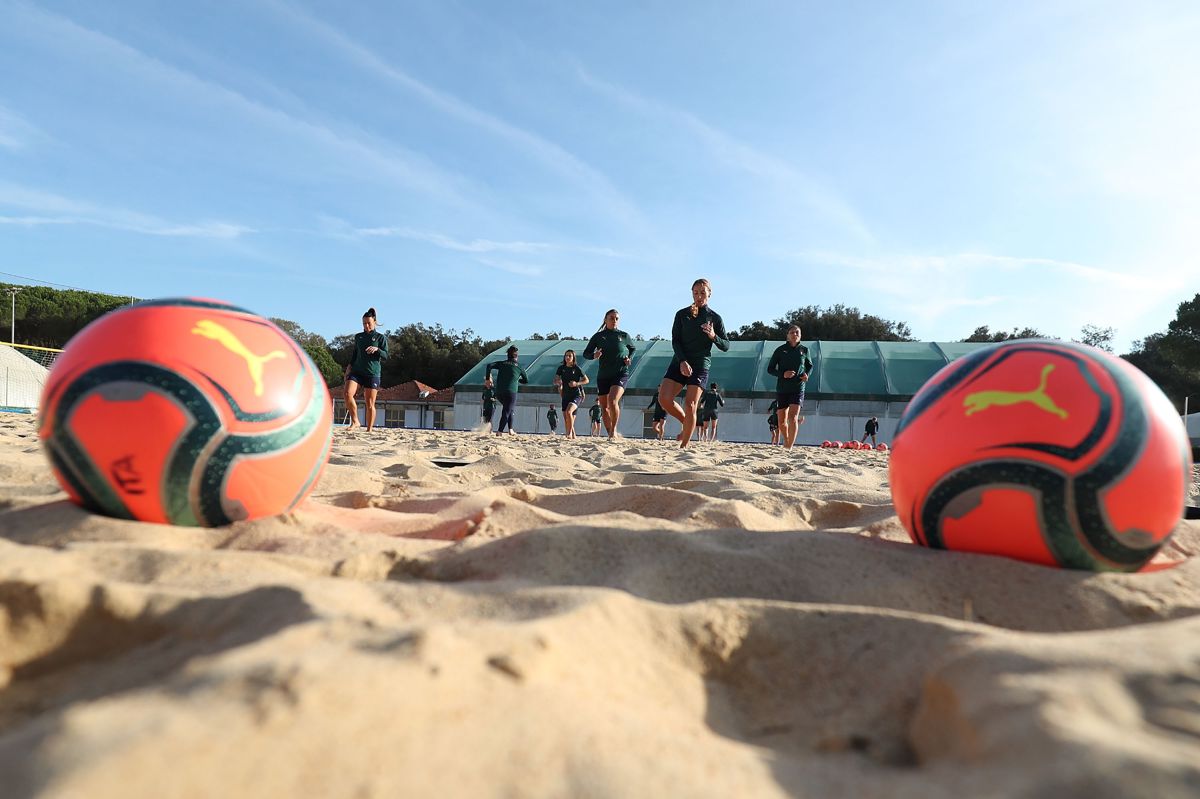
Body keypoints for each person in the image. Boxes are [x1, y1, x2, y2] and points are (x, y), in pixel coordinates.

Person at [657, 279, 729, 448]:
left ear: (709, 293)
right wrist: (682, 360)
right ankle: (687, 423)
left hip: (700, 364)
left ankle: (684, 447)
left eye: (703, 292)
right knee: (664, 399)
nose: (699, 296)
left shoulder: (715, 318)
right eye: (695, 292)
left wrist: (713, 336)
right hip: (680, 361)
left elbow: (725, 345)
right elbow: (675, 341)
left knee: (691, 404)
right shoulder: (682, 314)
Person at [583, 309, 636, 439]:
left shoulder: (624, 336)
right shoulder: (598, 336)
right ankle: (610, 434)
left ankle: (613, 431)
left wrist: (629, 358)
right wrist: (594, 355)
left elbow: (633, 349)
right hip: (603, 376)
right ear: (605, 320)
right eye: (611, 318)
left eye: (616, 318)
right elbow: (586, 353)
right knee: (604, 407)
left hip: (620, 373)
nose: (614, 321)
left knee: (613, 401)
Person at [767, 325, 814, 449]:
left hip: (798, 387)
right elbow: (770, 369)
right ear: (787, 335)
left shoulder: (804, 350)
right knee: (782, 422)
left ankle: (789, 447)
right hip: (782, 388)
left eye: (797, 332)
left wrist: (806, 375)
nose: (794, 334)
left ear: (800, 335)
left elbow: (810, 366)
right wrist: (783, 374)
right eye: (792, 332)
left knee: (793, 417)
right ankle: (787, 440)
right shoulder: (780, 350)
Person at [344, 307, 388, 432]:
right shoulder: (358, 337)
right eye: (364, 323)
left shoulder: (380, 338)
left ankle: (369, 429)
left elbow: (386, 355)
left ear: (374, 322)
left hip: (372, 373)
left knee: (369, 404)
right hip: (357, 371)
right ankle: (355, 421)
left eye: (368, 323)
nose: (366, 325)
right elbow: (355, 354)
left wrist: (377, 350)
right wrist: (349, 368)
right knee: (347, 394)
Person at [485, 345, 528, 435]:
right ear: (516, 356)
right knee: (507, 411)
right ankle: (500, 431)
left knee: (509, 409)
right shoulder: (519, 366)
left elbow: (489, 365)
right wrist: (518, 379)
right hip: (511, 392)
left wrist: (488, 379)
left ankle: (510, 429)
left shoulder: (502, 363)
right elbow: (526, 380)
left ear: (507, 355)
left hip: (499, 392)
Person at [554, 349, 589, 439]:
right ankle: (573, 435)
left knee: (568, 412)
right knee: (567, 418)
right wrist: (558, 382)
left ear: (573, 357)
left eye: (570, 356)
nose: (567, 357)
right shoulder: (561, 368)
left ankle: (568, 434)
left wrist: (576, 384)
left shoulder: (577, 368)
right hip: (565, 395)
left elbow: (586, 380)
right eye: (566, 355)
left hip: (576, 395)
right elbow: (556, 380)